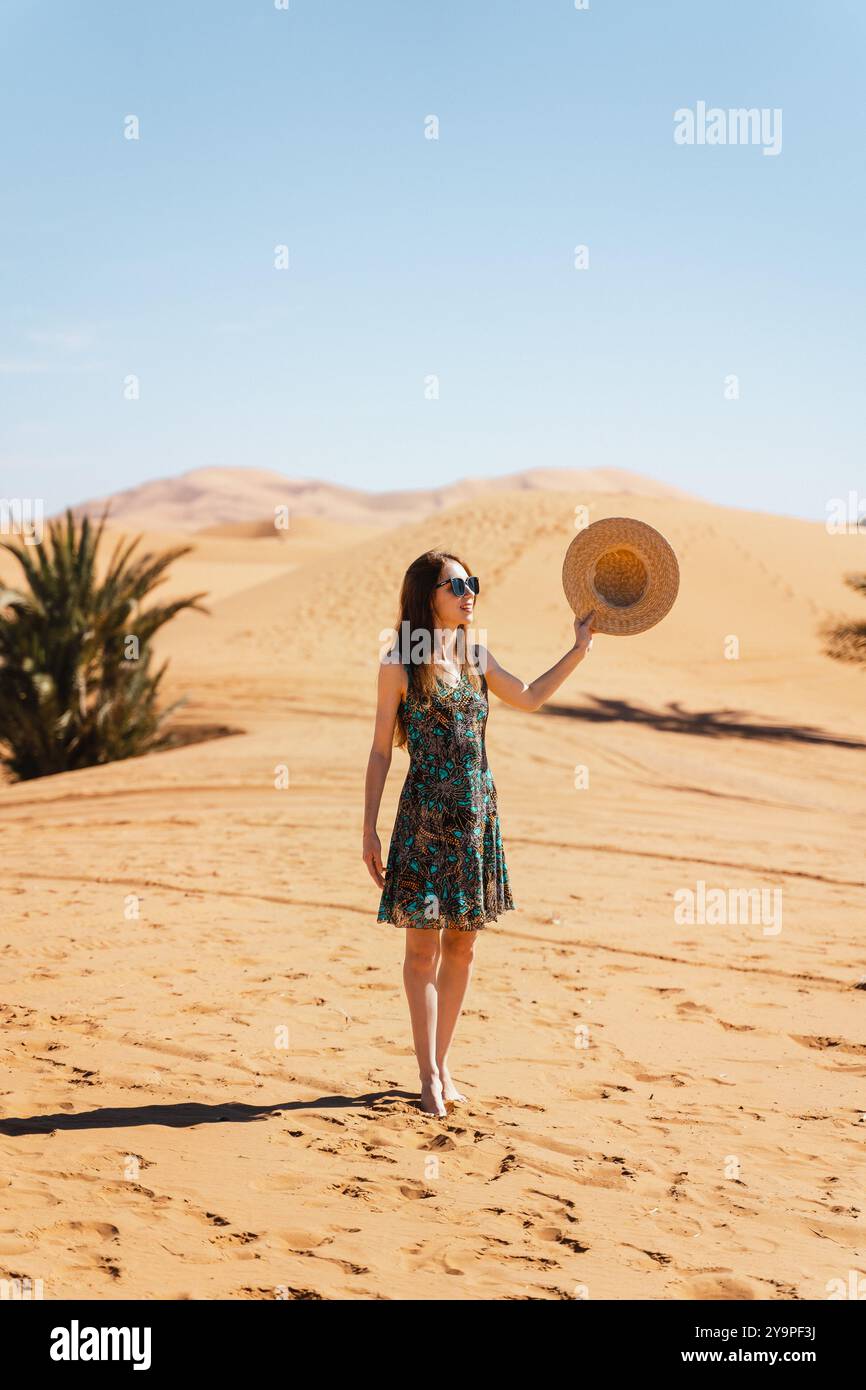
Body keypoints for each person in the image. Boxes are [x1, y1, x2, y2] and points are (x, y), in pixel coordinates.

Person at [362, 549, 595, 1117]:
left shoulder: (475, 655)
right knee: (422, 949)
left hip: (474, 820)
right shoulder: (399, 664)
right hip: (424, 822)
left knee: (462, 948)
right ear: (427, 595)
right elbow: (379, 750)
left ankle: (443, 1064)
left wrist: (578, 649)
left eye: (473, 584)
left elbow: (530, 697)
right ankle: (426, 1075)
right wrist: (368, 828)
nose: (469, 594)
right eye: (456, 585)